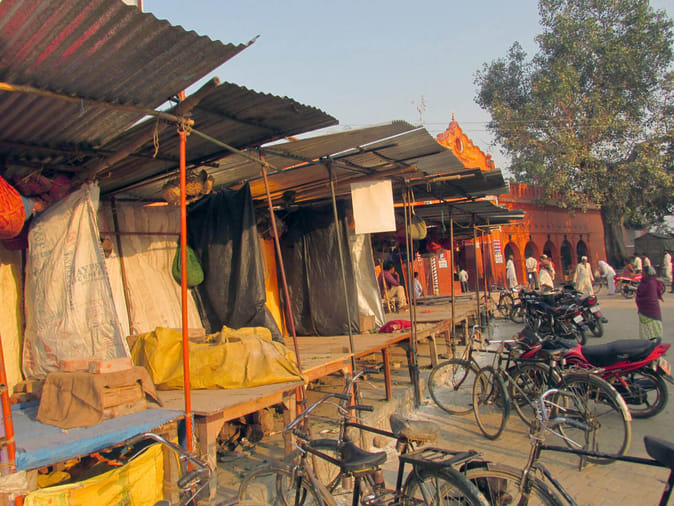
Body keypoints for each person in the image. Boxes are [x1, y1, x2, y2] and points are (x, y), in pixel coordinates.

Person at [635, 266, 664, 339]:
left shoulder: (651, 283)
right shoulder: (644, 281)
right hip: (643, 311)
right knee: (645, 332)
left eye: (643, 272)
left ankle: (654, 344)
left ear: (647, 273)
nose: (642, 273)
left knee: (654, 331)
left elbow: (650, 298)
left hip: (651, 311)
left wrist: (640, 300)